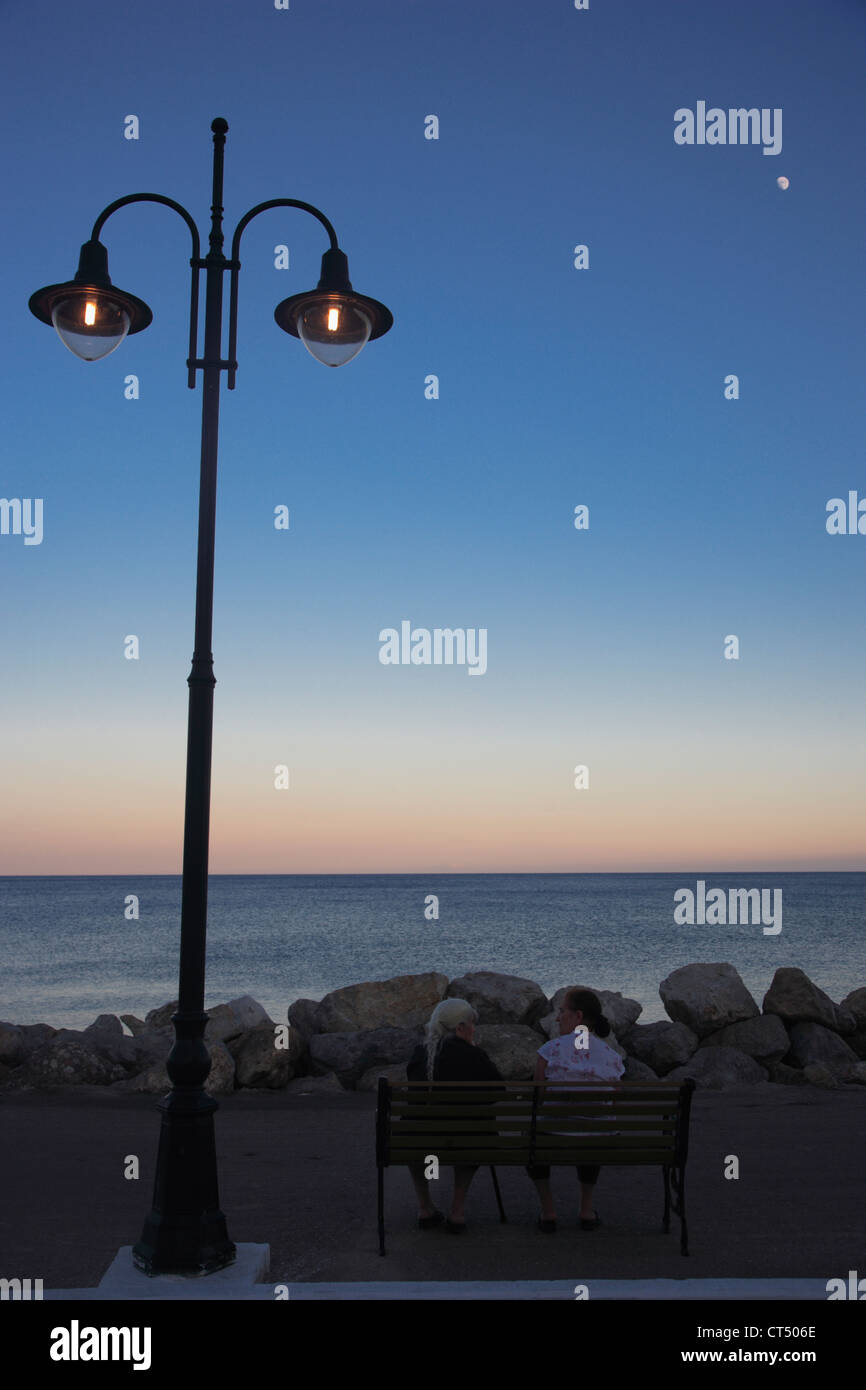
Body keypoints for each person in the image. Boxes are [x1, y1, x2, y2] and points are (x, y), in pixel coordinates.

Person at [528, 986, 624, 1233]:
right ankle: (586, 1210)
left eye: (562, 1011)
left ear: (578, 1016)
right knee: (591, 1129)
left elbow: (538, 1099)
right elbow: (613, 1101)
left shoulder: (549, 1051)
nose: (558, 1017)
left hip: (554, 1137)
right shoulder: (612, 1056)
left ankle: (549, 1212)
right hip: (597, 1139)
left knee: (530, 1134)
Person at [405, 997, 502, 1233]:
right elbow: (499, 1091)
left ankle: (425, 1207)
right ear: (460, 1028)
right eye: (471, 1024)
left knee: (413, 1133)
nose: (474, 1028)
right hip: (468, 1140)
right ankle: (457, 1212)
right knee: (475, 1131)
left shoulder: (421, 1054)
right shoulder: (474, 1056)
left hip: (423, 1142)